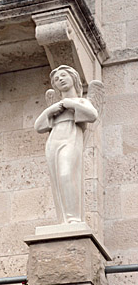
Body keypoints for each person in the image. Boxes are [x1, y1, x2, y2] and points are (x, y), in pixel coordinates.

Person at [34, 65, 98, 224]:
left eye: (63, 75)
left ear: (73, 78)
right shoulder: (55, 107)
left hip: (71, 137)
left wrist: (72, 104)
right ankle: (63, 219)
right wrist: (50, 111)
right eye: (56, 79)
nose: (60, 79)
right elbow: (38, 126)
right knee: (57, 179)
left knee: (66, 174)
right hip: (54, 140)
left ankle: (73, 218)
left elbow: (92, 115)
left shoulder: (81, 101)